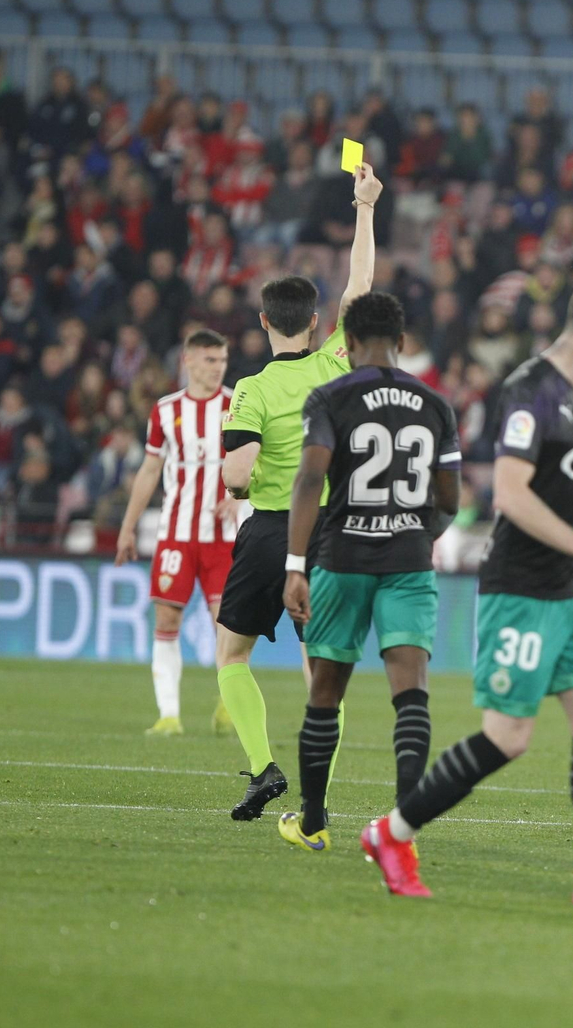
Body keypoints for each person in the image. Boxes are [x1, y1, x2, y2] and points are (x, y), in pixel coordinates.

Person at [360, 276, 573, 907]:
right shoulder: (532, 389)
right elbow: (510, 494)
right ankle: (391, 834)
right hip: (522, 590)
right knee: (508, 737)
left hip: (572, 596)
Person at [211, 162, 380, 821]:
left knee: (232, 654)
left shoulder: (251, 390)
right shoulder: (335, 361)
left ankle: (262, 769)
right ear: (315, 322)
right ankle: (316, 801)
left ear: (263, 321)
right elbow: (360, 284)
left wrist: (241, 474)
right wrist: (364, 206)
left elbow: (236, 474)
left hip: (268, 531)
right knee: (323, 673)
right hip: (330, 534)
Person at [277, 291, 461, 853]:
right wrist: (414, 535)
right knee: (411, 695)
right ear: (401, 342)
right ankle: (402, 833)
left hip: (342, 559)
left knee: (325, 692)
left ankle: (312, 822)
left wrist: (295, 566)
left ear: (350, 342)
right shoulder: (435, 404)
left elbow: (310, 479)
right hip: (408, 562)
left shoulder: (329, 397)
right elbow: (450, 501)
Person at [113, 329, 238, 737]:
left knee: (227, 623)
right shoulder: (165, 411)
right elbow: (150, 470)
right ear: (188, 360)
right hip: (176, 534)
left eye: (222, 360)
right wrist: (127, 528)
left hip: (223, 536)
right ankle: (169, 715)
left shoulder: (237, 404)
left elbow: (261, 460)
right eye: (210, 360)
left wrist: (240, 497)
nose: (218, 368)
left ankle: (230, 701)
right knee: (167, 617)